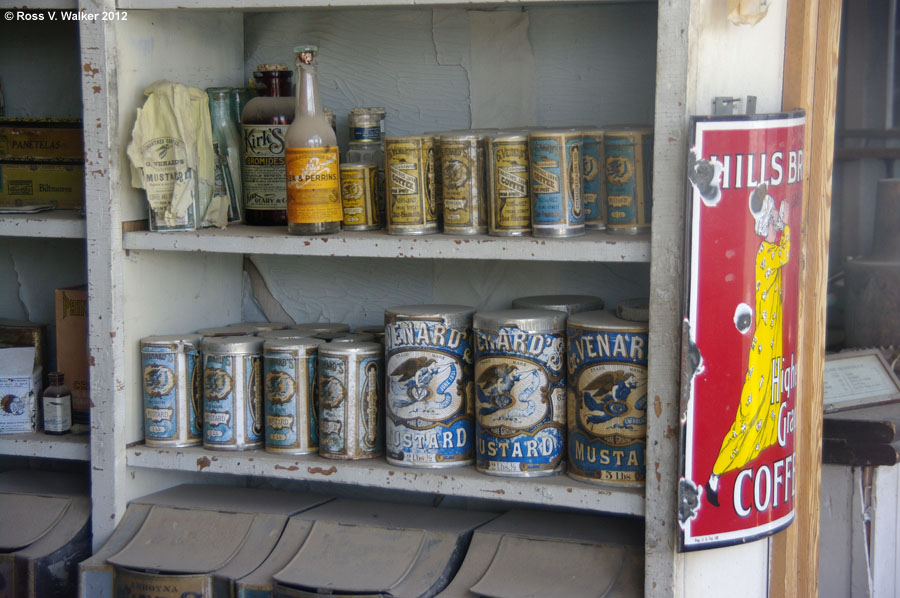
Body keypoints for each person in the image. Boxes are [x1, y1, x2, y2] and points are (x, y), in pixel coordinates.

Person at [706, 184, 790, 507]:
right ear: (765, 224)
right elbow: (784, 252)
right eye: (772, 224)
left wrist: (783, 224)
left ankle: (722, 472)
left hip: (771, 344)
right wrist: (788, 225)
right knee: (748, 414)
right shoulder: (767, 253)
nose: (775, 228)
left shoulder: (767, 250)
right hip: (764, 345)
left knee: (766, 407)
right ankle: (716, 473)